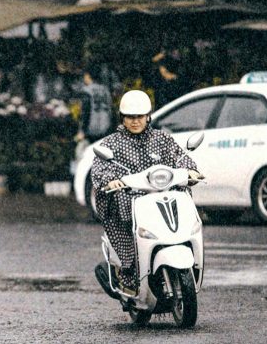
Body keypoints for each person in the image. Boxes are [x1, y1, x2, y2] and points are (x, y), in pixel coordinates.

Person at [89, 90, 202, 293]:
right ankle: (128, 273)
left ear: (148, 116)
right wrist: (111, 181)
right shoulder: (111, 143)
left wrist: (190, 169)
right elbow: (100, 168)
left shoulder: (162, 139)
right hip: (129, 205)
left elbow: (179, 157)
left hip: (162, 198)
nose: (135, 121)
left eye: (139, 116)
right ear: (122, 117)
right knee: (123, 231)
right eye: (130, 117)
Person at [75, 70, 113, 144]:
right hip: (105, 127)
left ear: (88, 76)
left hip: (91, 128)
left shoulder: (87, 91)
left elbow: (86, 111)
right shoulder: (105, 90)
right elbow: (110, 110)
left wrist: (82, 131)